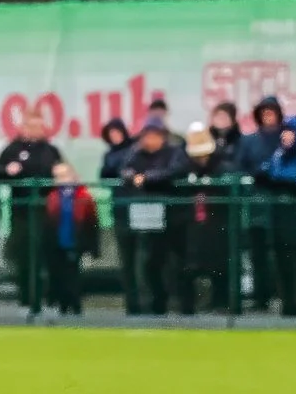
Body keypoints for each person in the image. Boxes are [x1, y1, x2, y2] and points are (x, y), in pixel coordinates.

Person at [0, 107, 64, 312]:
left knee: (48, 255)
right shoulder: (12, 149)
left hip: (47, 211)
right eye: (31, 126)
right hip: (21, 212)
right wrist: (8, 171)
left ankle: (51, 300)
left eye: (38, 126)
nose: (35, 130)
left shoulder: (51, 151)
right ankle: (27, 300)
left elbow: (62, 173)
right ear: (23, 127)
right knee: (24, 256)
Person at [119, 116, 189, 315]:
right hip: (147, 216)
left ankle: (183, 306)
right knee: (150, 262)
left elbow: (175, 171)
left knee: (176, 263)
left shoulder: (174, 152)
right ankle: (154, 305)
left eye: (154, 135)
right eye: (146, 135)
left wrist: (147, 178)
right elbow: (124, 170)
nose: (149, 140)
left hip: (173, 217)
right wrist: (132, 176)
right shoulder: (136, 152)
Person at [253, 116, 296, 316]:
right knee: (283, 263)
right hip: (280, 219)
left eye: (291, 132)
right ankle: (288, 305)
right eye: (284, 131)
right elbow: (263, 175)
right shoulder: (277, 157)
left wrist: (276, 179)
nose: (286, 136)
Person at [172, 122, 232, 315]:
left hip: (216, 225)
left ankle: (221, 305)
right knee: (187, 267)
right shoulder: (182, 167)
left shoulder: (223, 168)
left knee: (219, 266)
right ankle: (187, 307)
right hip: (190, 226)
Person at [234, 97, 286, 309]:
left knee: (281, 252)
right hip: (256, 203)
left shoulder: (286, 139)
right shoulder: (249, 141)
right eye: (264, 113)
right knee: (258, 252)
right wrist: (258, 173)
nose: (268, 117)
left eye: (271, 112)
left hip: (283, 203)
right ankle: (261, 296)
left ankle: (283, 295)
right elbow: (239, 167)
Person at [38, 161, 98, 316]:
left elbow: (92, 222)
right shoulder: (52, 197)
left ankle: (75, 305)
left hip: (75, 240)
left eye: (64, 175)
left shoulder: (84, 196)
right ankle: (62, 305)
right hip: (57, 241)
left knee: (73, 274)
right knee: (58, 273)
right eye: (57, 176)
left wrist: (93, 246)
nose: (61, 180)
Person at [97, 116, 141, 313]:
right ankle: (132, 303)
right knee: (127, 260)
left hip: (137, 209)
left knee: (141, 259)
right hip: (120, 210)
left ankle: (143, 302)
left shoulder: (135, 150)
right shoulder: (109, 155)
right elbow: (104, 177)